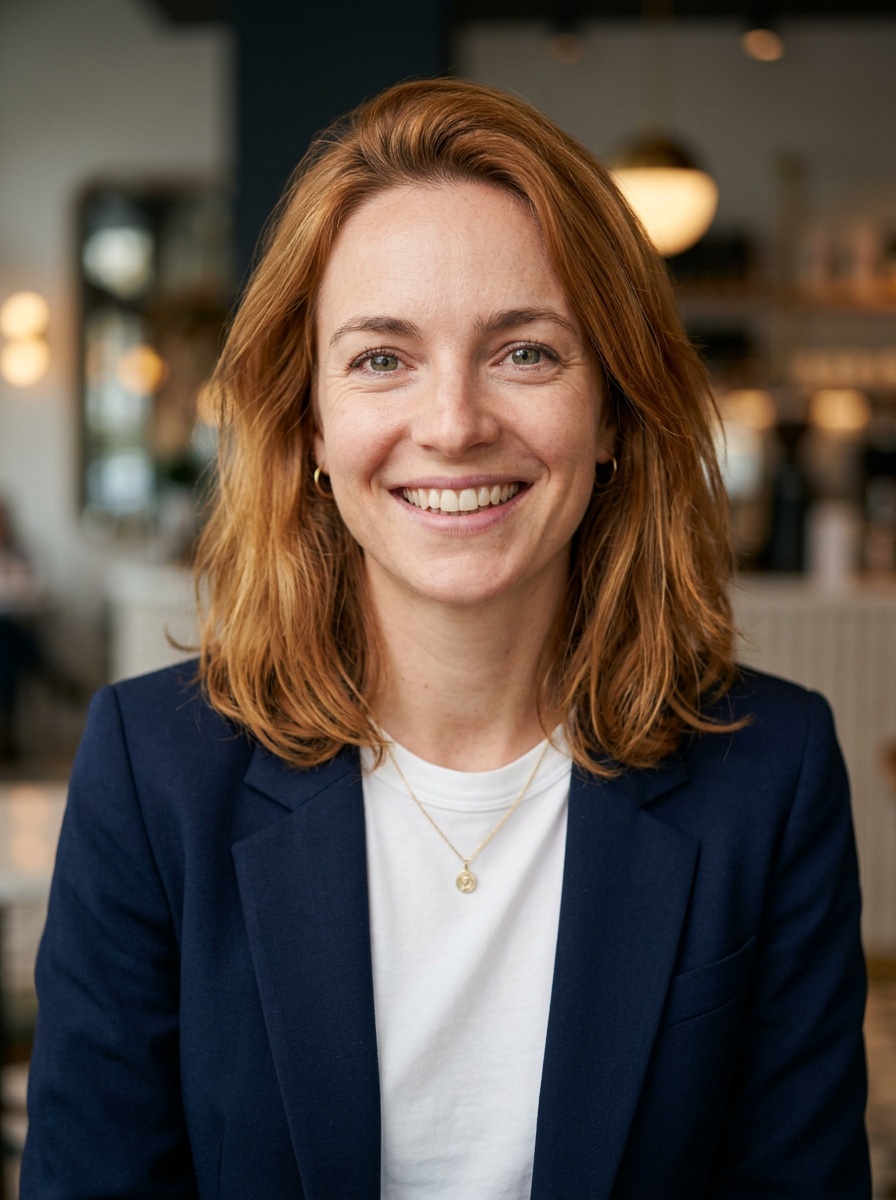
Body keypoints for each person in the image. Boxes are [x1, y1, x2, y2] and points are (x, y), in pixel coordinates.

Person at [22, 79, 869, 1199]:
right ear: (311, 424)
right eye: (381, 357)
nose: (455, 423)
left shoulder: (770, 768)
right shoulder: (153, 769)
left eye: (525, 352)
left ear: (611, 408)